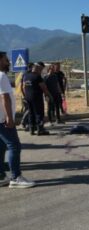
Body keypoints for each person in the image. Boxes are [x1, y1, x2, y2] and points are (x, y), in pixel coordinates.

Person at [0, 51, 35, 188]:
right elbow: (5, 98)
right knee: (14, 146)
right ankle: (16, 177)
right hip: (3, 119)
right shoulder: (2, 76)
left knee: (1, 147)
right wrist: (9, 117)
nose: (8, 62)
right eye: (5, 60)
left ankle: (1, 176)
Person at [22, 62, 52, 135]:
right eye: (40, 69)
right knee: (39, 113)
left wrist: (25, 95)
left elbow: (23, 86)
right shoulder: (37, 77)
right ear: (37, 68)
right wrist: (49, 96)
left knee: (31, 113)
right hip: (36, 97)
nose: (41, 71)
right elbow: (44, 88)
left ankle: (31, 129)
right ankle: (40, 129)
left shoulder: (26, 76)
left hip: (28, 97)